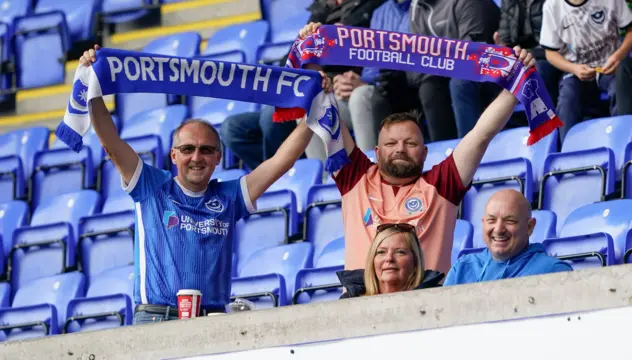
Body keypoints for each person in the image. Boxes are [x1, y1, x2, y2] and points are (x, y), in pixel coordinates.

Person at [78, 45, 331, 324]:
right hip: (155, 320)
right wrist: (93, 84)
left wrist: (313, 110)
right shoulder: (150, 185)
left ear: (218, 158)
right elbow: (111, 143)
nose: (196, 157)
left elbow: (280, 161)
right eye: (187, 149)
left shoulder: (230, 196)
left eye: (206, 150)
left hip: (212, 321)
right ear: (174, 155)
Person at [291, 20, 539, 274]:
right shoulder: (355, 177)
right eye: (390, 143)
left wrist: (515, 83)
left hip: (425, 305)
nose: (400, 149)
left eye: (410, 143)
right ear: (376, 152)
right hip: (361, 304)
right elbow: (321, 107)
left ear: (424, 152)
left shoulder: (442, 185)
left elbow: (481, 135)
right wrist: (312, 52)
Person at [220, 0, 385, 169]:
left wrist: (320, 53)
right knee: (232, 128)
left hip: (334, 87)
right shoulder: (320, 11)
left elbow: (355, 54)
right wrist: (305, 48)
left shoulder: (369, 8)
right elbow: (290, 60)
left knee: (271, 115)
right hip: (303, 87)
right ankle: (285, 175)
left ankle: (285, 174)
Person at [540, 0, 632, 141]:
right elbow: (550, 53)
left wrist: (618, 56)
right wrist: (573, 68)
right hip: (576, 70)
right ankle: (568, 154)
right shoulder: (552, 6)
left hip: (610, 67)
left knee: (620, 89)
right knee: (567, 98)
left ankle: (625, 144)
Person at [409, 0, 502, 140]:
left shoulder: (468, 3)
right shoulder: (416, 7)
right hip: (447, 69)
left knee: (460, 82)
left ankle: (470, 147)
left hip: (489, 66)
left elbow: (472, 52)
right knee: (429, 88)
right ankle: (443, 153)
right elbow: (416, 59)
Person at [444, 190, 573, 286]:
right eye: (491, 220)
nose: (499, 229)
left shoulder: (554, 272)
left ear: (529, 227)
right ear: (483, 223)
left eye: (510, 221)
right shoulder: (462, 268)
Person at [333, 0, 413, 152]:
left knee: (361, 96)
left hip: (408, 91)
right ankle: (325, 175)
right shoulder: (380, 13)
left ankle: (370, 170)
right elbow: (370, 68)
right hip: (378, 88)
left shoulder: (422, 7)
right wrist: (352, 82)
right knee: (318, 107)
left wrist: (365, 86)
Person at [337, 223, 444, 298]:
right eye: (381, 252)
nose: (389, 259)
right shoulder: (350, 300)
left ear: (415, 262)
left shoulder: (436, 296)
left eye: (400, 252)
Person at [493, 0, 562, 107]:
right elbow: (505, 36)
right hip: (523, 52)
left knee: (536, 69)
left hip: (548, 52)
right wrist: (502, 46)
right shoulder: (508, 1)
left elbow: (556, 38)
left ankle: (547, 118)